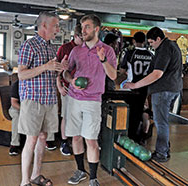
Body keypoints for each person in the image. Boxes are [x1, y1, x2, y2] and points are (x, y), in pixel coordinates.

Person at [63, 14, 117, 186]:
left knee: (91, 140)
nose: (83, 30)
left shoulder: (107, 50)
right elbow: (66, 72)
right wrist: (70, 80)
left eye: (87, 26)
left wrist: (103, 60)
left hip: (93, 100)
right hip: (73, 98)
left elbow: (113, 75)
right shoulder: (76, 50)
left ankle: (93, 178)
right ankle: (80, 170)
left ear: (96, 29)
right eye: (81, 26)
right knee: (76, 138)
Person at [18, 11, 65, 186]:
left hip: (49, 99)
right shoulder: (29, 46)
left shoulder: (51, 47)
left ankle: (36, 175)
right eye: (56, 25)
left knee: (43, 137)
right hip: (33, 100)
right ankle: (24, 182)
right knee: (32, 138)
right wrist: (46, 66)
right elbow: (21, 74)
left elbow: (52, 73)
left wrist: (60, 68)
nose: (58, 29)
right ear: (44, 25)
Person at [124, 27, 182, 163]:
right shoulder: (173, 45)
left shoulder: (164, 49)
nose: (150, 45)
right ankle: (165, 150)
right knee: (163, 120)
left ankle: (161, 153)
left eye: (151, 42)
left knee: (160, 122)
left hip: (163, 90)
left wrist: (135, 85)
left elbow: (157, 74)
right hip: (173, 89)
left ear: (158, 39)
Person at [120, 31, 153, 144]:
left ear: (134, 41)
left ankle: (128, 137)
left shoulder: (130, 53)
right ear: (144, 41)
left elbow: (122, 70)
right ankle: (140, 137)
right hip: (145, 88)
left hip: (131, 87)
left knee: (129, 113)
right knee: (140, 112)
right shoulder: (150, 55)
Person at [8, 80, 56, 156]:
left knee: (47, 112)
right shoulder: (17, 84)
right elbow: (14, 102)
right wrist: (25, 111)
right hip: (18, 108)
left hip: (34, 106)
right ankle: (14, 144)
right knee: (17, 116)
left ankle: (49, 140)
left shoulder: (39, 84)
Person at [57, 24, 83, 156]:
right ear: (77, 36)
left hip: (83, 90)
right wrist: (59, 86)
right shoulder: (65, 48)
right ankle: (64, 141)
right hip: (67, 87)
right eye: (82, 39)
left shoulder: (87, 49)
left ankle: (77, 140)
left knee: (79, 116)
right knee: (66, 116)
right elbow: (57, 69)